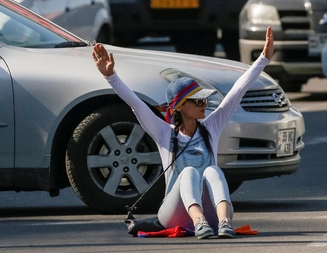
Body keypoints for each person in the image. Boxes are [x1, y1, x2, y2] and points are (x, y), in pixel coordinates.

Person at [92, 26, 275, 239]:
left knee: (213, 171)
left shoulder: (211, 127)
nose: (204, 104)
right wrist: (111, 76)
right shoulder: (163, 133)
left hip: (212, 216)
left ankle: (225, 222)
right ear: (179, 106)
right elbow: (135, 104)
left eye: (205, 99)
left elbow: (237, 91)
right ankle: (198, 222)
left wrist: (263, 59)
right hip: (174, 214)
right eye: (198, 101)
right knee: (189, 172)